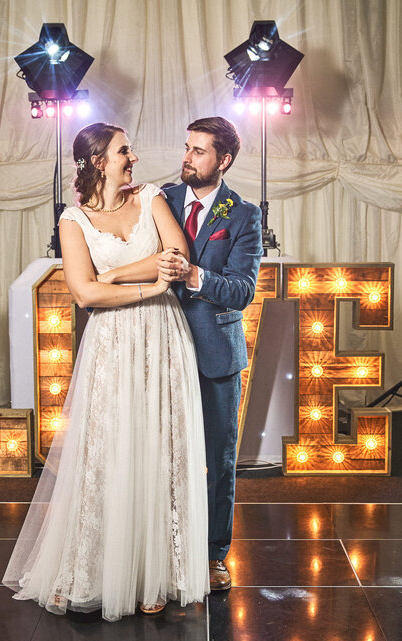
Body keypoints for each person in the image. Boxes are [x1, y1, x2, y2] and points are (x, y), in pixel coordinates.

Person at [3, 123, 209, 621]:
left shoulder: (153, 197)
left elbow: (177, 256)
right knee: (106, 448)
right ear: (99, 160)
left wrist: (115, 274)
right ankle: (87, 569)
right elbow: (84, 294)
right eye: (123, 150)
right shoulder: (73, 220)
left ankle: (156, 571)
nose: (133, 156)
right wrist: (146, 285)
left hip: (162, 336)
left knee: (159, 446)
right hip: (112, 344)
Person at [157, 117, 262, 591]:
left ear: (224, 160)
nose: (188, 157)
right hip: (159, 347)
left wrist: (194, 275)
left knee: (217, 461)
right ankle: (162, 548)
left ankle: (213, 555)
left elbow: (242, 291)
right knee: (161, 455)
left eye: (200, 151)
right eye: (187, 147)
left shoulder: (243, 215)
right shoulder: (161, 200)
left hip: (216, 354)